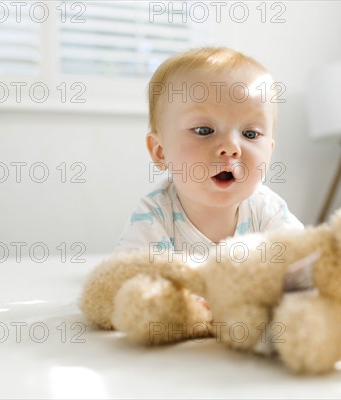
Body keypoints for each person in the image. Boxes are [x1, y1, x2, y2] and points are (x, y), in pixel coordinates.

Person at [115, 47, 304, 261]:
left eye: (250, 134)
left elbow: (303, 263)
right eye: (204, 131)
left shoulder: (266, 210)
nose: (231, 147)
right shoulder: (155, 214)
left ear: (269, 152)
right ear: (160, 152)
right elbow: (130, 275)